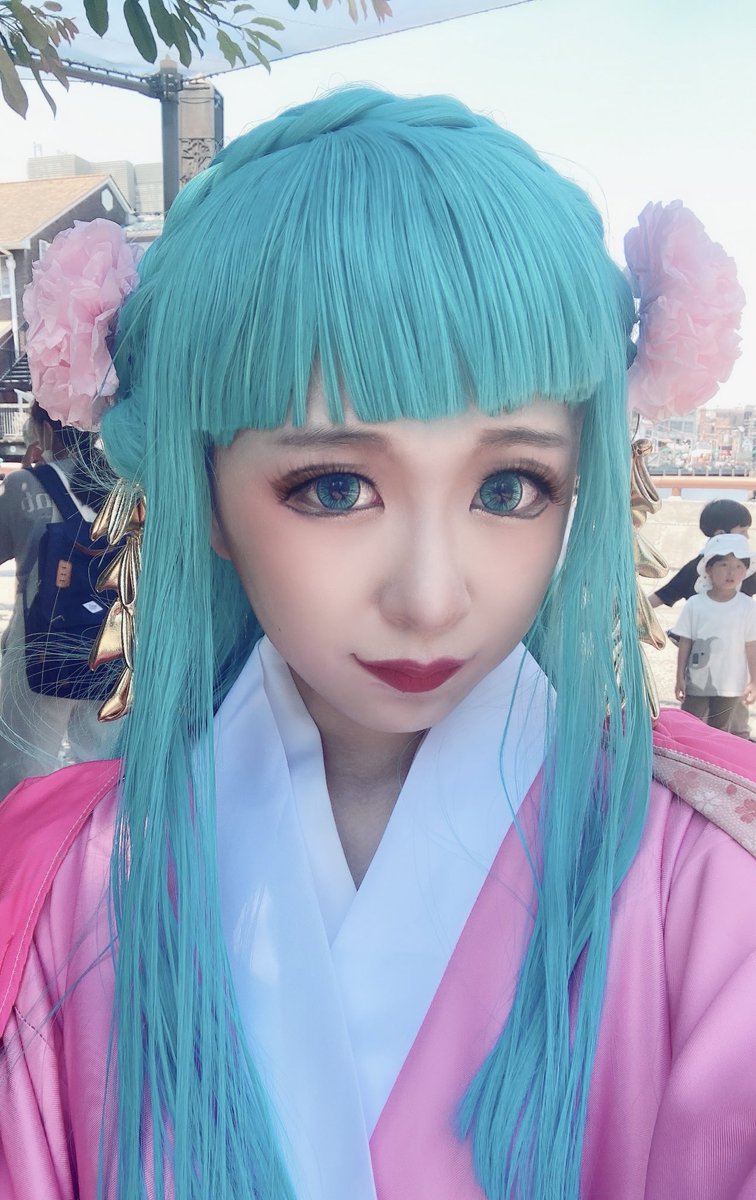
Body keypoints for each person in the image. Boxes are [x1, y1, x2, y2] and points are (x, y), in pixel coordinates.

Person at [1, 90, 756, 1200]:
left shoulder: (713, 886)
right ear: (204, 491)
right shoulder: (58, 883)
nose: (432, 596)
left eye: (511, 486)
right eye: (334, 487)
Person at [0, 401, 116, 798]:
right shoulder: (123, 481)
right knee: (102, 769)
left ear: (46, 430)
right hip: (111, 644)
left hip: (39, 647)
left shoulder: (24, 484)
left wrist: (28, 478)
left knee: (22, 774)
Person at [672, 533, 756, 735]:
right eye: (724, 564)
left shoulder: (747, 606)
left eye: (738, 566)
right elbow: (685, 641)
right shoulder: (695, 604)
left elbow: (751, 644)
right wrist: (679, 677)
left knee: (718, 732)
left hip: (731, 684)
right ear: (709, 568)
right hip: (697, 682)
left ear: (746, 570)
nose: (731, 572)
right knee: (688, 726)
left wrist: (753, 680)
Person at [649, 497, 755, 608]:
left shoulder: (748, 566)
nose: (747, 537)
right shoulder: (693, 569)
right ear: (720, 534)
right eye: (743, 531)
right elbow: (662, 596)